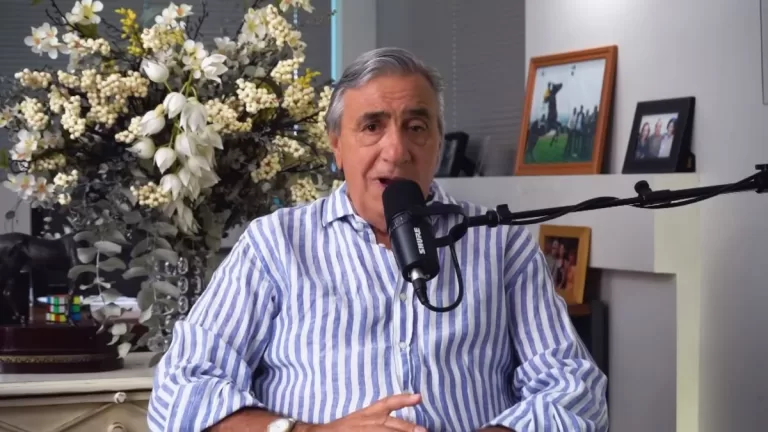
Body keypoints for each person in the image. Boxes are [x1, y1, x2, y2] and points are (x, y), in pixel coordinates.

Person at [147, 47, 609, 432]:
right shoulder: (276, 244)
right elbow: (181, 389)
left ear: (438, 140)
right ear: (336, 144)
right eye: (372, 127)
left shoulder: (500, 244)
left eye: (416, 127)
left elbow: (575, 389)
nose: (397, 150)